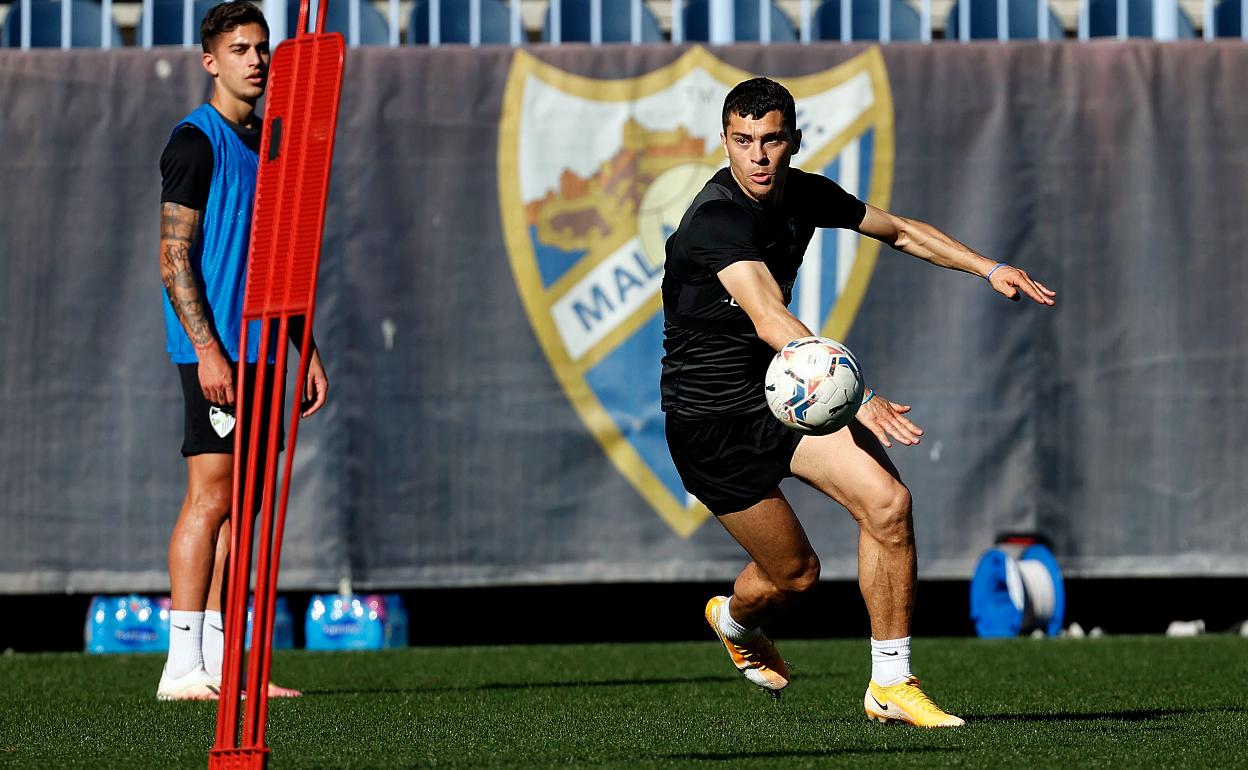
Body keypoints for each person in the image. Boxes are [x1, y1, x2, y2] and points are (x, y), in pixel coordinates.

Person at [661, 77, 1055, 727]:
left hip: (783, 400)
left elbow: (898, 231)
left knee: (888, 505)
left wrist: (987, 267)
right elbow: (768, 316)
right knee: (794, 577)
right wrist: (853, 395)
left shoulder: (805, 193)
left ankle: (890, 684)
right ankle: (732, 618)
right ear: (725, 142)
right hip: (713, 423)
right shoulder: (716, 220)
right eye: (742, 141)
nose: (757, 155)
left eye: (770, 140)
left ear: (792, 140)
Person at [156, 1, 328, 701]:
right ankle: (180, 666)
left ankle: (225, 668)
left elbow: (276, 258)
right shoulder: (195, 142)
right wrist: (207, 351)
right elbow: (173, 259)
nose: (255, 60)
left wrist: (303, 346)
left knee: (245, 506)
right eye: (239, 49)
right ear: (210, 60)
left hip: (261, 345)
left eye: (262, 48)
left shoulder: (268, 145)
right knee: (211, 497)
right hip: (217, 352)